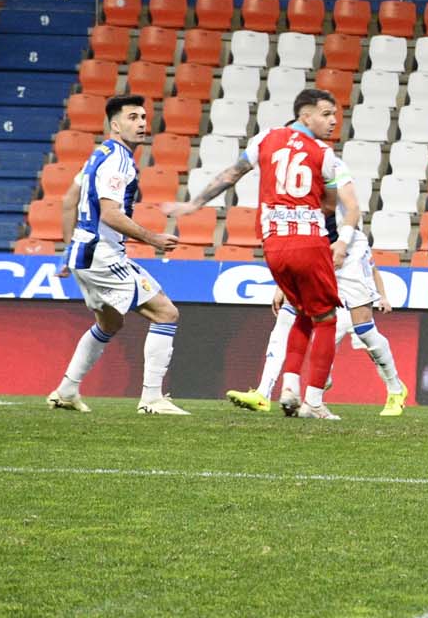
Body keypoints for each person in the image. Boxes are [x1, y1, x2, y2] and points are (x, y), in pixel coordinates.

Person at [163, 89, 353, 420]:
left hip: (273, 246)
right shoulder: (325, 155)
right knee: (326, 319)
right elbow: (331, 204)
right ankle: (314, 402)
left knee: (302, 311)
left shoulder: (265, 139)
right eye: (326, 114)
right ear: (304, 115)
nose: (333, 121)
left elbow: (231, 174)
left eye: (335, 114)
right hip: (308, 242)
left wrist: (194, 204)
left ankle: (290, 387)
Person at [225, 164, 406, 416]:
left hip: (348, 251)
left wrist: (342, 244)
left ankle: (395, 389)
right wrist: (283, 282)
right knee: (289, 314)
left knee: (364, 329)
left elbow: (352, 208)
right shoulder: (285, 178)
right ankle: (264, 393)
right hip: (313, 251)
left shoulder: (329, 164)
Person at [47, 95, 187, 415]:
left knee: (109, 323)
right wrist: (153, 239)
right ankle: (152, 398)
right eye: (133, 118)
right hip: (102, 255)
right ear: (115, 125)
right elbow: (110, 214)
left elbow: (70, 200)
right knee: (166, 312)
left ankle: (67, 391)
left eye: (143, 117)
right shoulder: (119, 159)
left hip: (84, 254)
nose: (142, 123)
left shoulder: (98, 155)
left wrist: (69, 250)